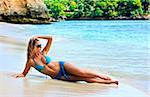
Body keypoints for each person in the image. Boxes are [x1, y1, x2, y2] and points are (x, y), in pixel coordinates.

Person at [15, 36, 118, 85]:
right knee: (84, 79)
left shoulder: (44, 53)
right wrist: (20, 75)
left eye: (40, 45)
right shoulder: (31, 62)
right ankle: (110, 82)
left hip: (63, 66)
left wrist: (38, 37)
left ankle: (104, 76)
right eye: (38, 46)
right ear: (32, 47)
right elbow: (24, 73)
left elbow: (50, 39)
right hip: (59, 76)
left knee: (83, 72)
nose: (40, 47)